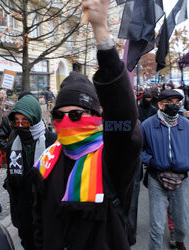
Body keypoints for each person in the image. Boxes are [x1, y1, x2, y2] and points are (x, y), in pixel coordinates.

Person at [29, 0, 142, 249]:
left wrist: (101, 32)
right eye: (60, 116)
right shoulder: (46, 163)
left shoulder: (111, 158)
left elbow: (123, 116)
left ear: (97, 116)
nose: (67, 122)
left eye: (77, 115)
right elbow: (38, 226)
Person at [4, 94, 57, 250]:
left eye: (25, 121)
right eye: (16, 122)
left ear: (34, 119)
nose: (20, 126)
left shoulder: (52, 142)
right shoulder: (12, 146)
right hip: (25, 215)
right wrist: (16, 216)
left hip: (48, 213)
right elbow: (12, 184)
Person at [141, 89, 189, 250]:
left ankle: (180, 240)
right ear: (160, 105)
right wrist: (152, 161)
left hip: (181, 179)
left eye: (177, 102)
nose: (174, 105)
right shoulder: (147, 125)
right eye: (170, 102)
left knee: (181, 223)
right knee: (157, 225)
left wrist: (185, 162)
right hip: (157, 179)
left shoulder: (186, 125)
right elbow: (140, 150)